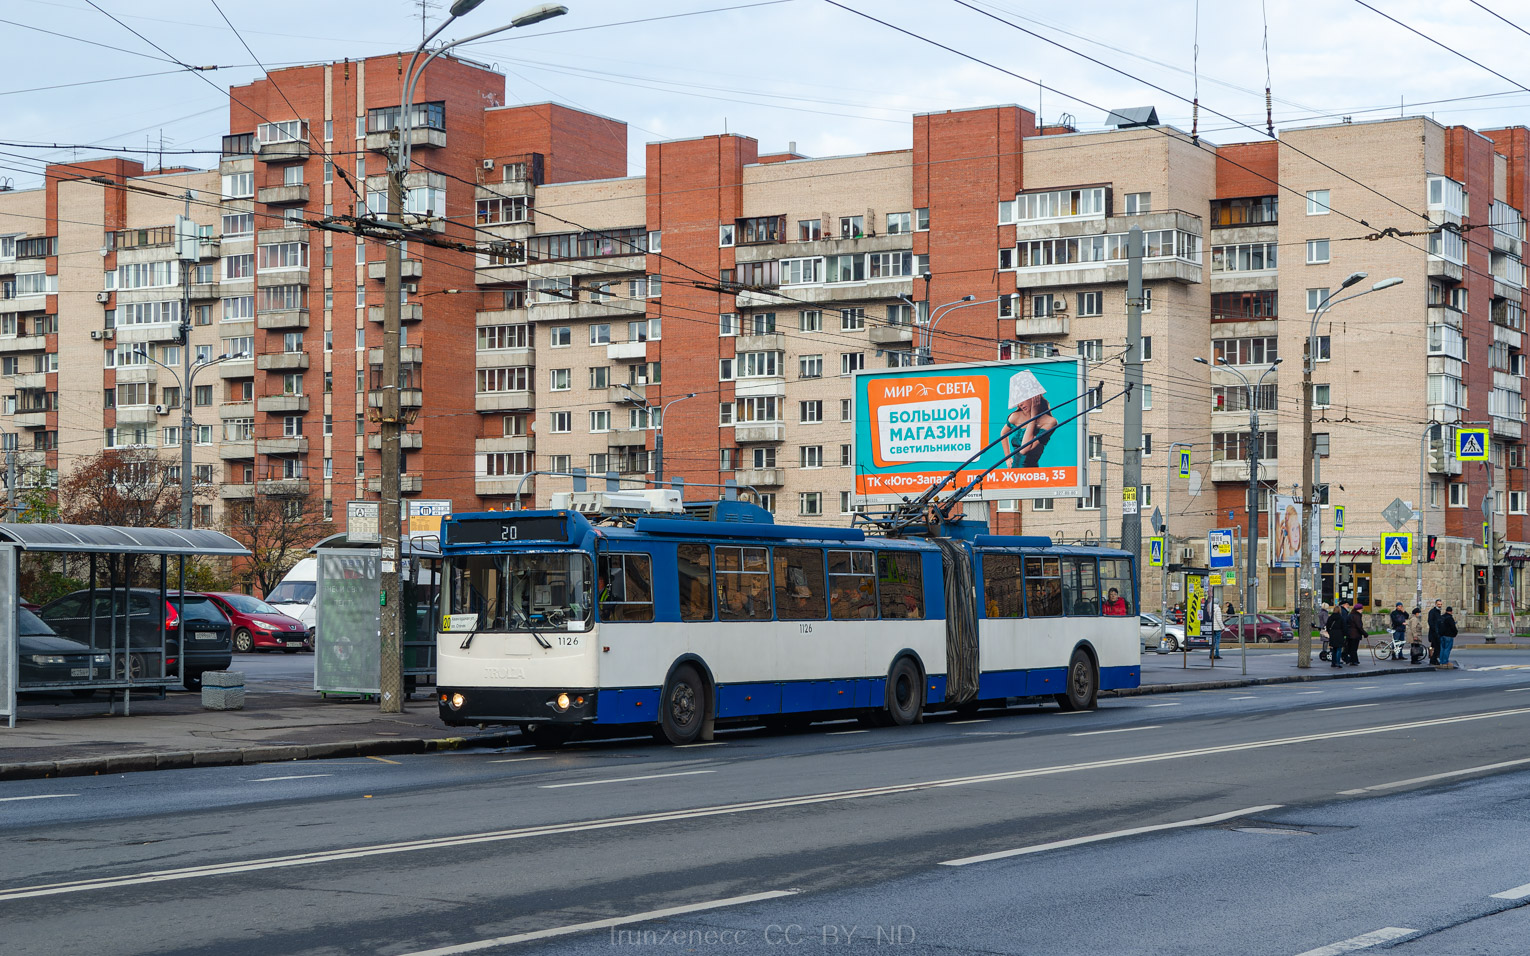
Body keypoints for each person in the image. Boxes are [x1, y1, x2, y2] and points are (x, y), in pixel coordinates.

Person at [1005, 371, 1058, 468]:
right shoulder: (1016, 416)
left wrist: (1033, 417)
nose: (1020, 404)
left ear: (1034, 397)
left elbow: (1024, 449)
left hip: (1031, 474)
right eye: (1017, 401)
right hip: (1013, 473)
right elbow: (1003, 433)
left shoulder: (1050, 422)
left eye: (1022, 399)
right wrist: (1007, 458)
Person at [1325, 599, 1349, 668]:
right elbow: (1344, 627)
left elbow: (1328, 626)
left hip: (1332, 634)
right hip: (1339, 634)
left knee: (1334, 649)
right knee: (1339, 649)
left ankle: (1333, 662)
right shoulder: (1341, 618)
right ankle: (1338, 662)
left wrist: (1330, 632)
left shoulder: (1330, 618)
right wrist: (1345, 634)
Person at [1427, 599, 1444, 665]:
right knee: (1436, 647)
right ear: (1436, 604)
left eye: (1441, 604)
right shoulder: (1432, 612)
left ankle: (1433, 659)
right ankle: (1433, 659)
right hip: (1434, 633)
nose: (1440, 606)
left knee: (1435, 647)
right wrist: (1435, 630)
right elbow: (1430, 622)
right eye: (1438, 604)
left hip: (1437, 633)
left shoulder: (1438, 612)